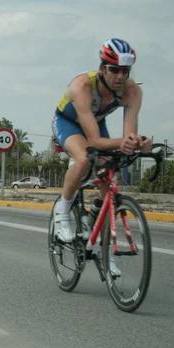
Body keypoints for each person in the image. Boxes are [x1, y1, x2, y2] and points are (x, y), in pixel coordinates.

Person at [51, 38, 152, 276]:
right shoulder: (82, 87)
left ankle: (104, 251)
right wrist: (129, 142)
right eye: (114, 69)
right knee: (84, 159)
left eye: (125, 71)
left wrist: (138, 143)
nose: (120, 76)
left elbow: (128, 136)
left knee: (109, 192)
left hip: (96, 123)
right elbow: (94, 142)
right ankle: (62, 213)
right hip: (67, 123)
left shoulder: (133, 91)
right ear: (102, 68)